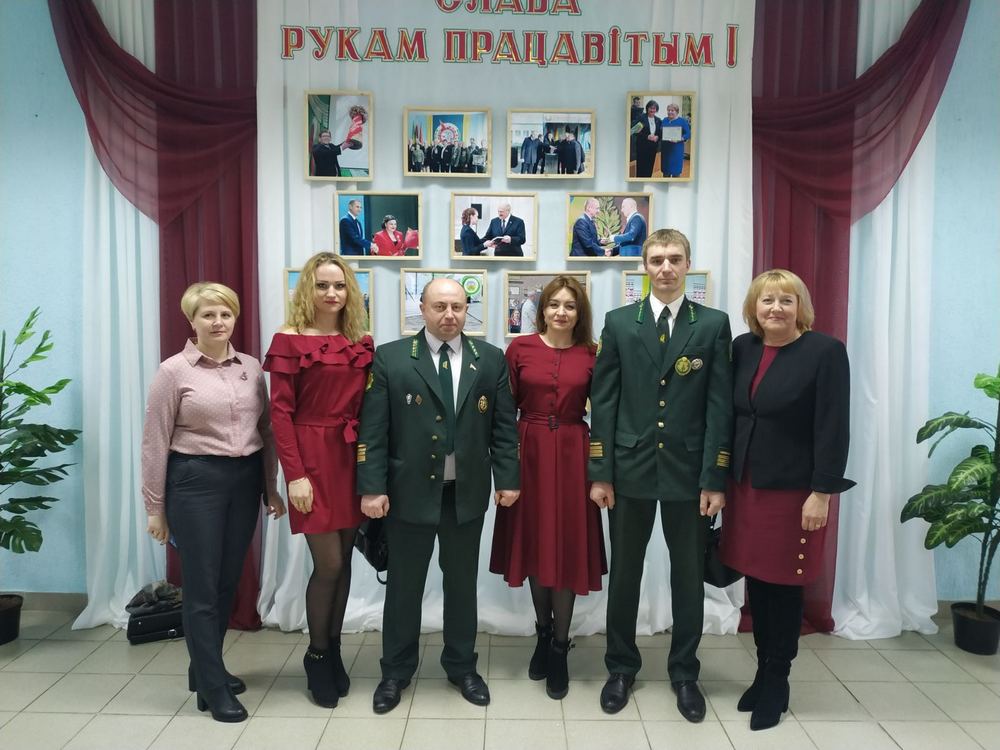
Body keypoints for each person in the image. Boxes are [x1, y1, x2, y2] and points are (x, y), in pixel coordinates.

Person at [589, 228, 733, 722]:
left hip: (688, 474)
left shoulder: (712, 324)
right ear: (644, 266)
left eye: (674, 259)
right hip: (628, 470)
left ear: (687, 264)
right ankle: (620, 668)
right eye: (656, 260)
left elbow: (719, 407)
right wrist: (600, 472)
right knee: (625, 574)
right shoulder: (619, 322)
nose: (666, 268)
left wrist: (715, 478)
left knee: (688, 578)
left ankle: (685, 673)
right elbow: (603, 402)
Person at [357, 278, 520, 714]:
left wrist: (507, 479)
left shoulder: (490, 359)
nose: (449, 315)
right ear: (422, 310)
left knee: (462, 585)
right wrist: (372, 487)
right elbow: (373, 430)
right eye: (439, 307)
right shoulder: (392, 358)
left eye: (457, 307)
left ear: (467, 310)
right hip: (408, 493)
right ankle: (395, 672)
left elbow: (504, 428)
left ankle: (462, 666)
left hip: (465, 494)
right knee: (404, 586)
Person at [142, 282, 284, 723]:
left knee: (226, 583)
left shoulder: (250, 368)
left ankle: (205, 668)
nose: (218, 322)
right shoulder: (173, 372)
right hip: (195, 483)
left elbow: (266, 431)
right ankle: (212, 685)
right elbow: (154, 442)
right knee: (202, 588)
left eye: (225, 314)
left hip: (244, 481)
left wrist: (271, 487)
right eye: (208, 315)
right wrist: (154, 508)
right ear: (192, 320)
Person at [719, 269, 854, 731]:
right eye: (767, 300)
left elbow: (833, 427)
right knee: (757, 582)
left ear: (801, 308)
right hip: (747, 487)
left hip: (795, 492)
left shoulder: (825, 352)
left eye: (786, 300)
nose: (776, 308)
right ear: (754, 308)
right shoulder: (744, 348)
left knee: (783, 585)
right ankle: (762, 671)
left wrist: (822, 493)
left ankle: (778, 679)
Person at [263, 253, 374, 709]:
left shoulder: (360, 340)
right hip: (310, 457)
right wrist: (295, 476)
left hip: (351, 457)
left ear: (350, 292)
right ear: (308, 289)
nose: (331, 293)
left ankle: (334, 650)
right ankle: (316, 654)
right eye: (322, 285)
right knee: (327, 564)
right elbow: (279, 414)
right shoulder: (288, 339)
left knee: (343, 562)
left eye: (340, 285)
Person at [490, 276, 606, 700]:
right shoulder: (519, 349)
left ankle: (560, 647)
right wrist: (505, 471)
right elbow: (503, 414)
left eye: (569, 306)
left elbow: (605, 414)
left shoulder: (593, 353)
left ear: (580, 313)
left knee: (566, 546)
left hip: (575, 453)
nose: (561, 312)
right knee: (536, 544)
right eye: (554, 304)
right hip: (530, 452)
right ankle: (542, 634)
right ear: (541, 310)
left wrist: (601, 471)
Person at [660, 103, 691, 178]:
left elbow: (688, 134)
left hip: (676, 149)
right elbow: (660, 131)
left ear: (677, 112)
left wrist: (680, 138)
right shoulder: (664, 120)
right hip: (666, 150)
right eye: (668, 110)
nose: (670, 112)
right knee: (666, 172)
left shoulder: (682, 121)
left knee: (676, 173)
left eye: (672, 110)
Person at [634, 100, 662, 178]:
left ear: (656, 110)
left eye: (654, 108)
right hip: (642, 147)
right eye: (651, 108)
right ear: (647, 108)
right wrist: (647, 137)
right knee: (641, 168)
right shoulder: (641, 118)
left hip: (652, 148)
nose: (652, 110)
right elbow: (635, 131)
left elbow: (660, 133)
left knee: (649, 168)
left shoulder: (658, 120)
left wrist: (657, 137)